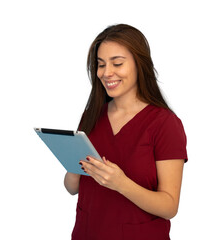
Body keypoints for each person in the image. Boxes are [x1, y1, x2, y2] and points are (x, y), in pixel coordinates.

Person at [64, 24, 188, 240]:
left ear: (140, 64)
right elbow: (71, 187)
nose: (106, 73)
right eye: (100, 65)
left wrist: (121, 184)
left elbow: (169, 206)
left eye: (117, 63)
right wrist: (73, 163)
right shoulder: (91, 115)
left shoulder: (165, 124)